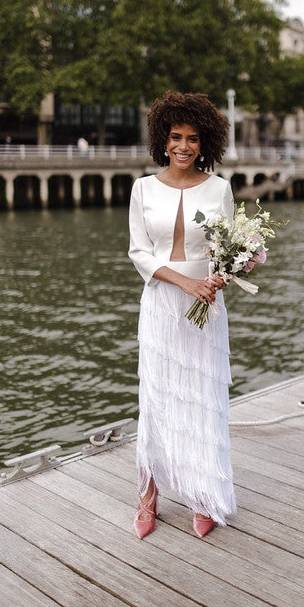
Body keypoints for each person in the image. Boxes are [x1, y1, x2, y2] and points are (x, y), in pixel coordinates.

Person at [128, 90, 237, 539]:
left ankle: (203, 494)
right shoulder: (142, 188)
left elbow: (229, 253)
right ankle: (147, 494)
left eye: (193, 138)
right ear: (163, 138)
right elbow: (138, 251)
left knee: (200, 396)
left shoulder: (219, 189)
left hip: (204, 305)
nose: (184, 146)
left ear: (204, 141)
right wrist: (184, 281)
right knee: (156, 398)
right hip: (161, 302)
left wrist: (217, 278)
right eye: (176, 136)